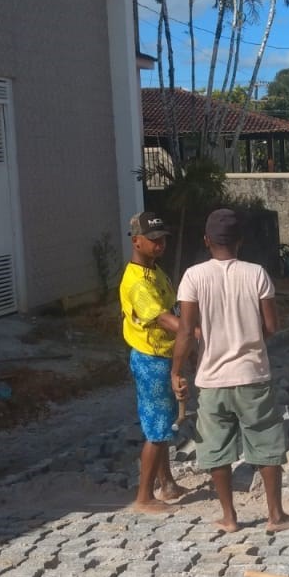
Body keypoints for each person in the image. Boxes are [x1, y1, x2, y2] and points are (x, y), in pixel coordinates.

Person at [171, 209, 289, 534]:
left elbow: (186, 331)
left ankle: (229, 517)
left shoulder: (193, 276)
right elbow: (271, 325)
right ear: (240, 241)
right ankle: (276, 516)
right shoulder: (257, 274)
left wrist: (176, 370)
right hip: (252, 375)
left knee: (216, 449)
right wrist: (250, 338)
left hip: (212, 380)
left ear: (206, 241)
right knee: (266, 444)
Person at [120, 211, 184, 513]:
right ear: (137, 241)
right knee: (157, 430)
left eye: (163, 239)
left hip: (162, 355)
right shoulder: (137, 283)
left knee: (163, 423)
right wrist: (195, 332)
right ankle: (144, 496)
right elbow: (163, 317)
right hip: (151, 359)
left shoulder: (155, 271)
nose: (160, 245)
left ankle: (167, 483)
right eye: (154, 240)